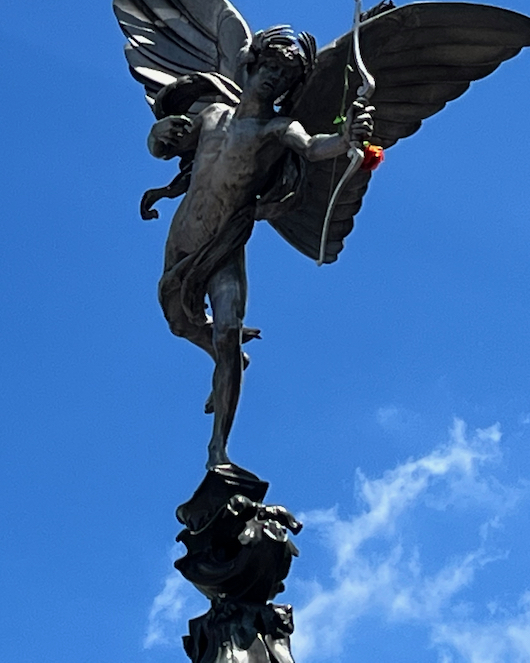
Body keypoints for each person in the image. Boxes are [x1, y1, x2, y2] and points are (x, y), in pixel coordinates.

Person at [147, 26, 374, 471]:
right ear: (251, 63)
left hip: (224, 247)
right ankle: (225, 356)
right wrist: (159, 135)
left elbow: (313, 148)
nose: (275, 79)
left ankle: (218, 450)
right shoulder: (212, 113)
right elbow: (165, 145)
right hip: (182, 238)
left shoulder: (278, 127)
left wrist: (348, 137)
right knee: (177, 321)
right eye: (271, 67)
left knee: (227, 329)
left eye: (286, 76)